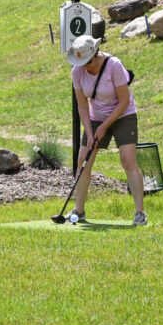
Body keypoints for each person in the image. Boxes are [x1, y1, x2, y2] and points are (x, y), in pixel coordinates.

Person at [66, 35, 147, 225]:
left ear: (95, 54)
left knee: (128, 161)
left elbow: (124, 100)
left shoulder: (114, 65)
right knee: (83, 162)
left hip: (123, 114)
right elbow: (83, 106)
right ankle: (79, 211)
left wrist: (104, 127)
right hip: (96, 117)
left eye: (87, 62)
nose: (85, 66)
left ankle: (140, 213)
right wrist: (90, 130)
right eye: (81, 62)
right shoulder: (77, 72)